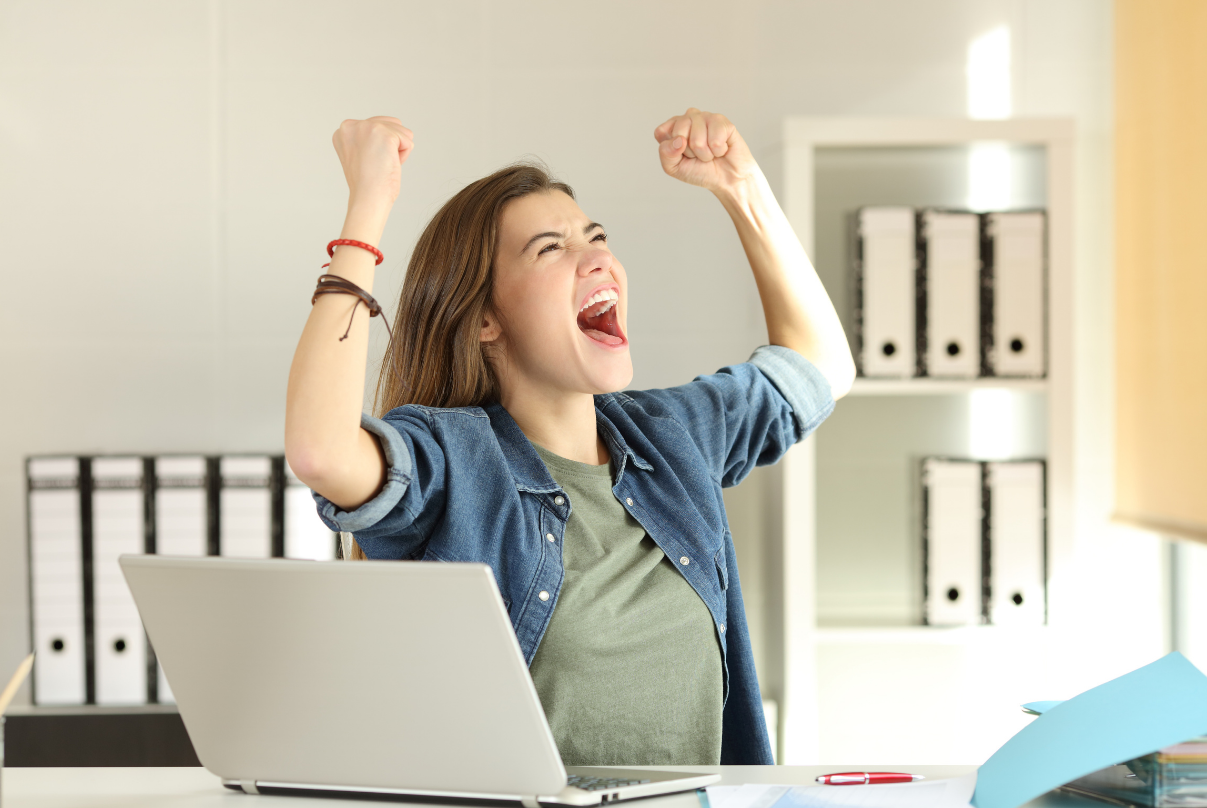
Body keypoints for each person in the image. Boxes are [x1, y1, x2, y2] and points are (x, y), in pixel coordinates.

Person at [284, 108, 854, 767]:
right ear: (485, 321)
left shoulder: (670, 438)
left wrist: (742, 186)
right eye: (550, 248)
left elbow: (822, 369)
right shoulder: (451, 459)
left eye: (596, 236)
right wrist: (367, 211)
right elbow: (321, 451)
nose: (599, 259)